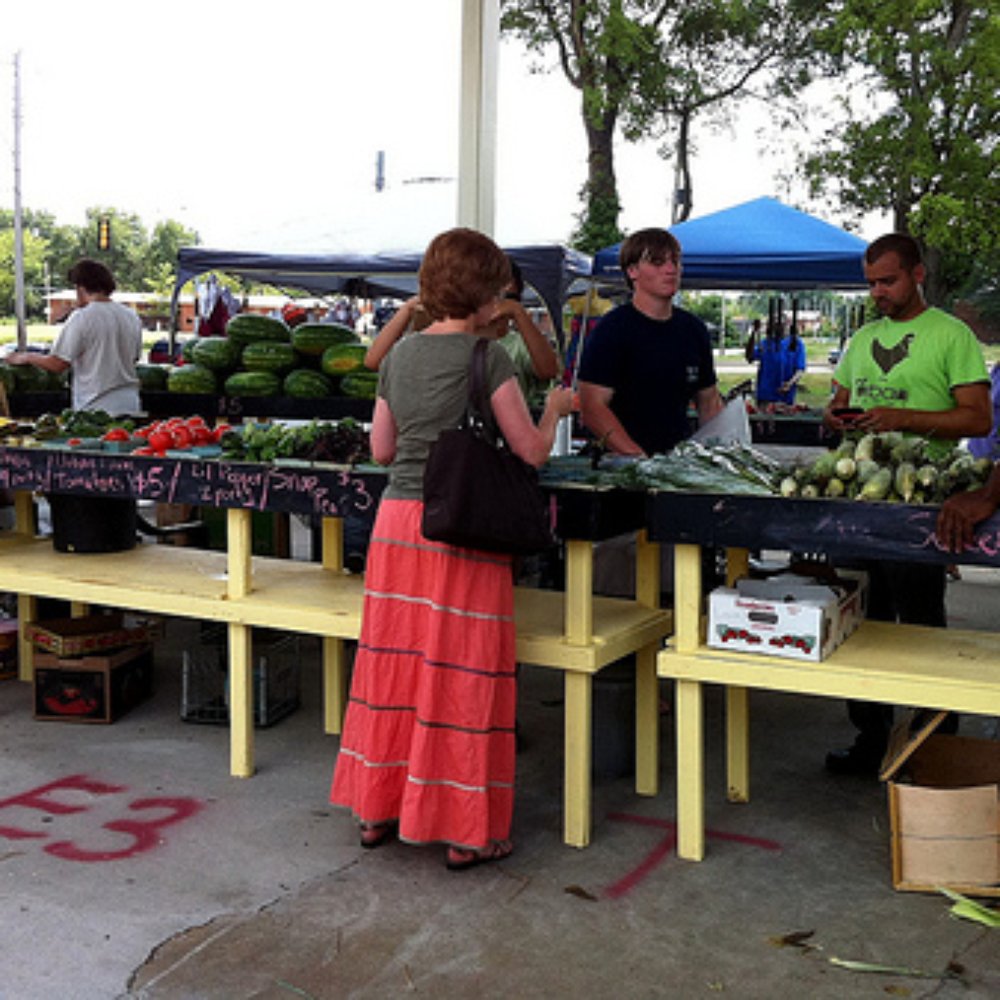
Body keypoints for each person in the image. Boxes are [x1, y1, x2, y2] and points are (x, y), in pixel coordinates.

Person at [329, 227, 574, 870]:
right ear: (486, 291)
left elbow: (382, 451)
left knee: (394, 666)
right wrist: (557, 408)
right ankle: (467, 832)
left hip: (397, 526)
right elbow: (532, 451)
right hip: (461, 529)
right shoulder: (487, 358)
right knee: (462, 673)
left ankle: (377, 811)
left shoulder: (400, 356)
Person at [822, 232, 991, 775]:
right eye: (871, 283)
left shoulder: (951, 335)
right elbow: (840, 403)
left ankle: (930, 743)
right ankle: (870, 738)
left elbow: (978, 418)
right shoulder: (863, 336)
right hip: (862, 499)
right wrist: (837, 417)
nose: (878, 293)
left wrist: (905, 419)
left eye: (888, 281)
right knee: (858, 615)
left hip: (921, 500)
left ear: (917, 274)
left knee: (918, 619)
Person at [577, 227, 723, 457]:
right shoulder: (612, 329)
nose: (671, 269)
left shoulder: (694, 330)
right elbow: (592, 407)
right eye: (657, 262)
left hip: (676, 466)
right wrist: (637, 458)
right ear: (632, 270)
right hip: (618, 470)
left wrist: (720, 455)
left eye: (675, 261)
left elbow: (709, 403)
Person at [7, 258, 142, 415]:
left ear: (80, 287)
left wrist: (26, 357)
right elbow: (134, 358)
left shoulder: (82, 317)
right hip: (131, 404)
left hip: (96, 409)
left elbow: (58, 363)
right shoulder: (131, 316)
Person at [744, 315, 807, 406]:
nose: (777, 327)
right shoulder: (766, 343)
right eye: (774, 324)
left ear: (786, 325)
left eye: (781, 324)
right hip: (765, 396)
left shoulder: (796, 343)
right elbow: (749, 357)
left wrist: (790, 383)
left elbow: (800, 369)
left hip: (786, 398)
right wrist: (754, 332)